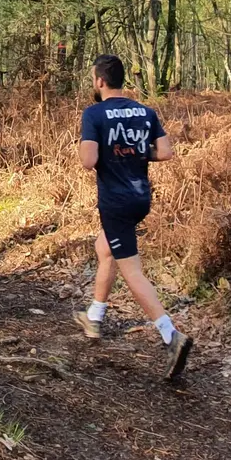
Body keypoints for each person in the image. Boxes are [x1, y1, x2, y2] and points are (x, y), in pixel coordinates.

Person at [75, 54, 192, 380]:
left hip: (115, 202)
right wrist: (135, 152)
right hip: (141, 197)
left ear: (100, 81)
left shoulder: (94, 113)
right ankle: (95, 317)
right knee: (105, 248)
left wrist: (102, 150)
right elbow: (165, 152)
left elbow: (88, 160)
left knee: (132, 270)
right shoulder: (145, 112)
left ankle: (171, 335)